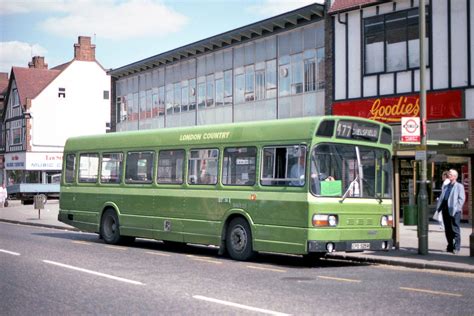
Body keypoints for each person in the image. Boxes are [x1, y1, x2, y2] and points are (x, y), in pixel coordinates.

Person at [435, 169, 465, 254]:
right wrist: (439, 208)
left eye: (450, 174)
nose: (449, 175)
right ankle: (450, 246)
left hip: (454, 211)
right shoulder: (446, 185)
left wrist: (457, 208)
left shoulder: (459, 186)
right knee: (447, 230)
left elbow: (461, 199)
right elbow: (442, 197)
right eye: (449, 174)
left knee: (455, 229)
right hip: (445, 210)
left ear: (455, 176)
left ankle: (457, 248)